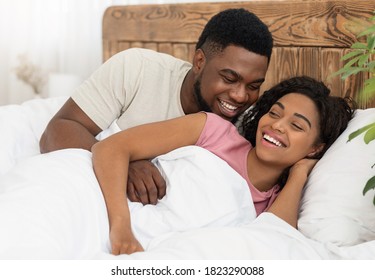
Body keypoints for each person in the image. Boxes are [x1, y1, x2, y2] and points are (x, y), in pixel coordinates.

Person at [91, 76, 354, 255]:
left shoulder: (275, 205)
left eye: (296, 126)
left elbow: (275, 243)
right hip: (106, 212)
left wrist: (299, 174)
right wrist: (122, 228)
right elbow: (110, 147)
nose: (277, 125)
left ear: (315, 148)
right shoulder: (213, 130)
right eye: (274, 113)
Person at [39, 8, 273, 205]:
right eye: (229, 79)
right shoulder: (137, 69)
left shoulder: (253, 124)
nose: (241, 96)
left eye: (254, 85)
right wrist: (123, 162)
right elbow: (57, 130)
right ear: (200, 62)